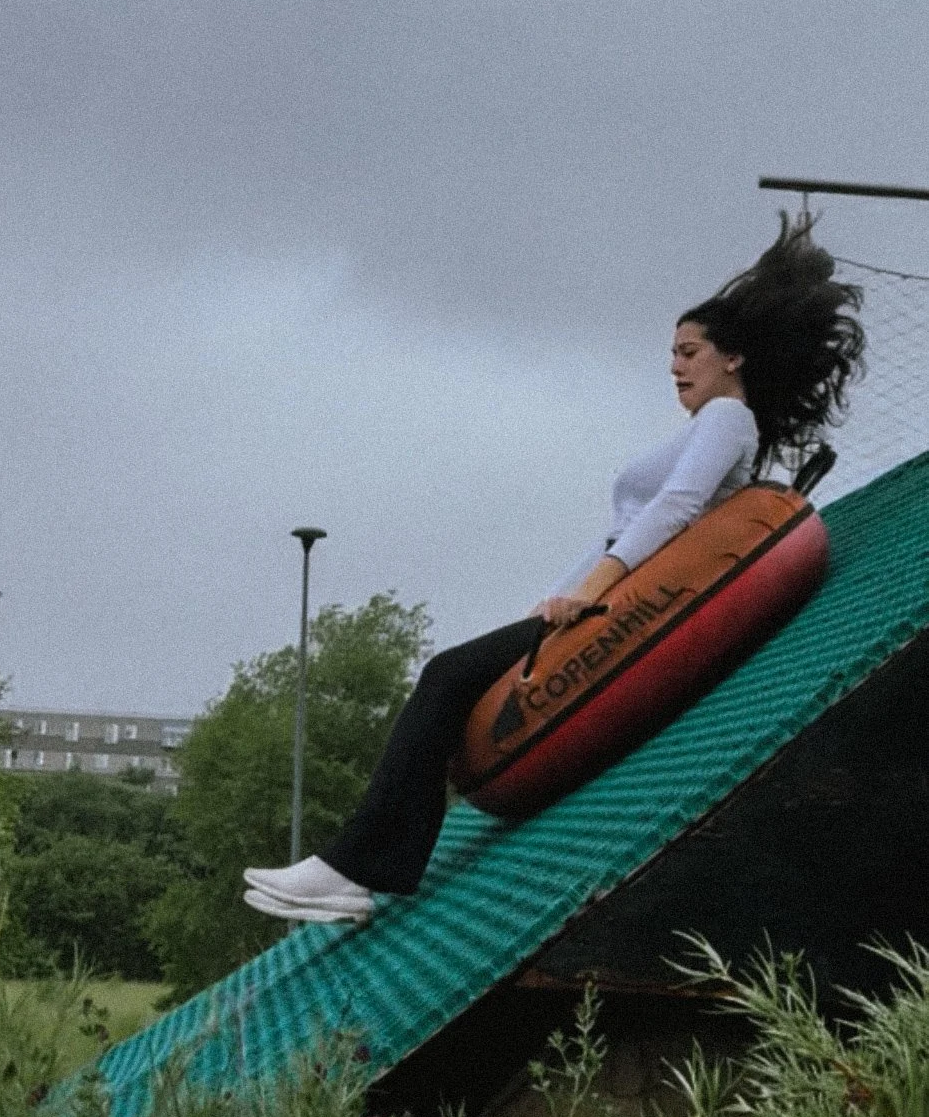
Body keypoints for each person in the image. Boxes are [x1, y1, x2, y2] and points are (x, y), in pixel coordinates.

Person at [245, 215, 865, 924]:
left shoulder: (727, 420)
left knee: (446, 675)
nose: (675, 365)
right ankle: (359, 865)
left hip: (614, 597)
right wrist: (566, 592)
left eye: (689, 351)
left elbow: (676, 506)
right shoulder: (709, 423)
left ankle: (354, 868)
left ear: (734, 359)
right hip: (588, 593)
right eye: (670, 354)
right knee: (451, 685)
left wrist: (594, 588)